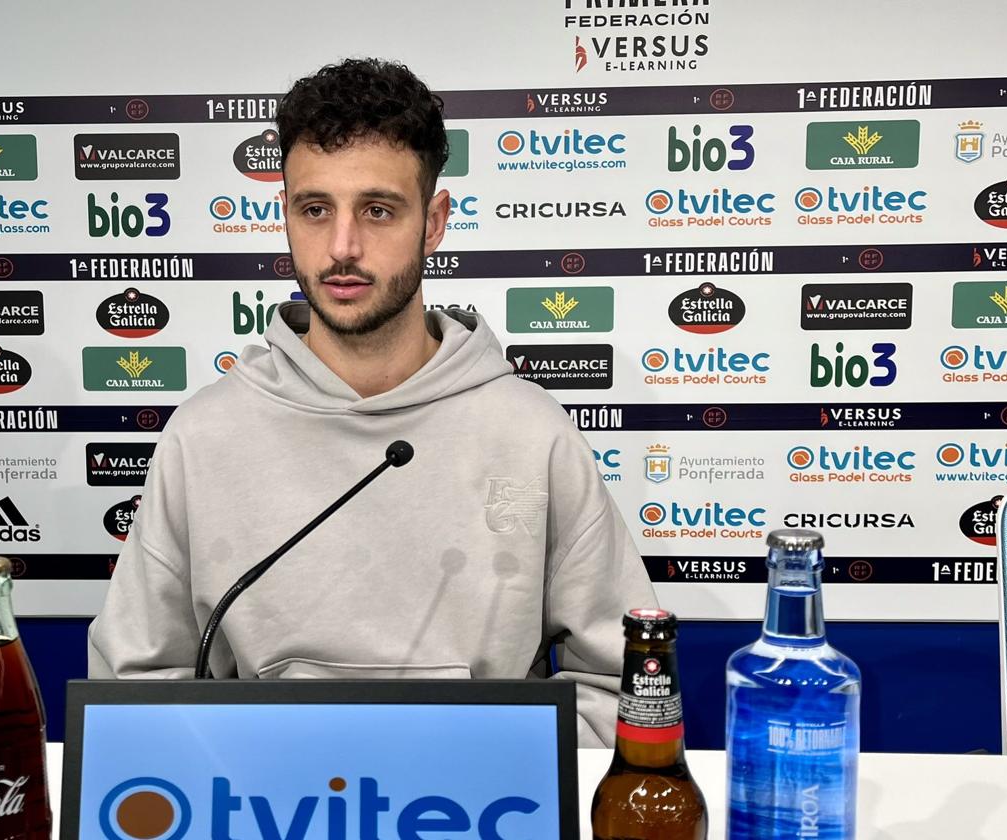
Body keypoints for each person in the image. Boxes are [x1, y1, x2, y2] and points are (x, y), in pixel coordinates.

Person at [87, 58, 656, 747]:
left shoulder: (530, 433)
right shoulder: (205, 435)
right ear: (286, 217)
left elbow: (626, 683)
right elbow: (135, 686)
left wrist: (502, 778)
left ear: (434, 222)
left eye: (378, 210)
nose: (342, 248)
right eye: (315, 209)